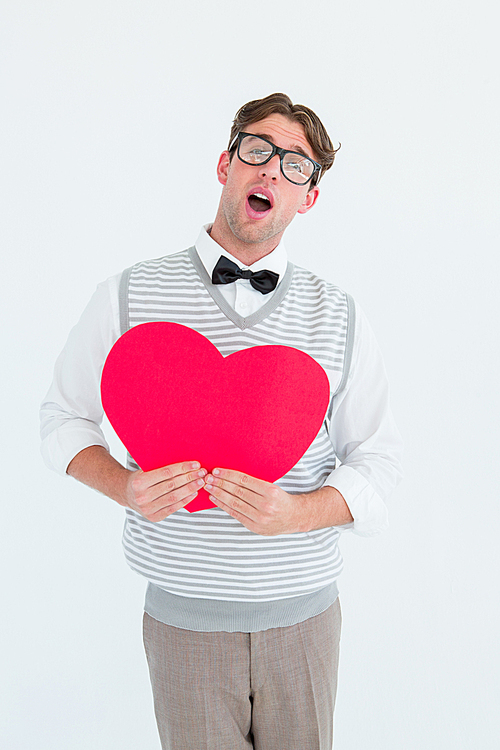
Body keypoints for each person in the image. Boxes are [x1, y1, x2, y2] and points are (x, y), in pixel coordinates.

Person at [40, 92, 403, 750]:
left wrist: (295, 514)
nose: (271, 171)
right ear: (224, 164)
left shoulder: (340, 315)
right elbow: (61, 422)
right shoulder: (127, 294)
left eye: (296, 165)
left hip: (306, 625)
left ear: (309, 198)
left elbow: (378, 466)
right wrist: (123, 487)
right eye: (257, 151)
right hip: (182, 629)